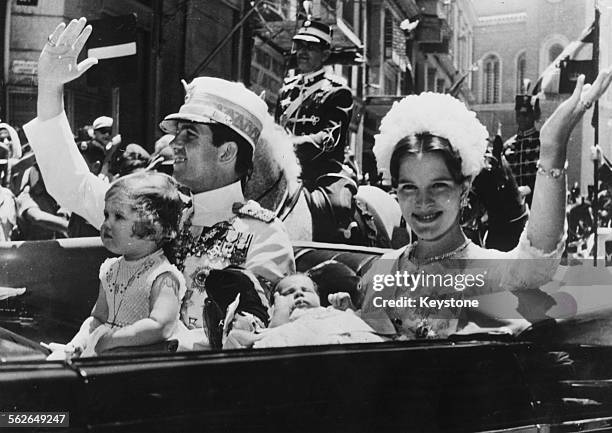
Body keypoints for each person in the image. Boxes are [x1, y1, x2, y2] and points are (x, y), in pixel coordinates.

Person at [24, 17, 294, 350]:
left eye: (190, 136)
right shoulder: (158, 208)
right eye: (176, 134)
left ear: (226, 152)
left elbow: (247, 338)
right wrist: (50, 87)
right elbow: (73, 187)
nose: (173, 145)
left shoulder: (265, 237)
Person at [360, 70, 612, 339]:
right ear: (395, 191)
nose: (423, 202)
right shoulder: (381, 270)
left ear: (464, 189)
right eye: (409, 187)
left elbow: (537, 261)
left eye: (439, 186)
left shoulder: (487, 271)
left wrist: (552, 149)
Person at [47, 171, 186, 358]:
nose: (106, 224)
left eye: (118, 217)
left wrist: (114, 338)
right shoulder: (111, 269)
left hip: (136, 362)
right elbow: (97, 318)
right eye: (106, 215)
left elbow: (160, 326)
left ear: (155, 229)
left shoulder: (162, 276)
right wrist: (78, 343)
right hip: (104, 354)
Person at [275, 20, 354, 189]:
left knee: (338, 206)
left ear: (325, 55)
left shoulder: (338, 92)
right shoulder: (286, 91)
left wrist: (289, 145)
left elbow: (329, 139)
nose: (302, 52)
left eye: (310, 48)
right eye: (300, 46)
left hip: (322, 175)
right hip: (284, 172)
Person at [224, 273, 383, 349]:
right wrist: (280, 313)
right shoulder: (276, 323)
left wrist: (350, 309)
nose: (299, 293)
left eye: (305, 290)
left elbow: (364, 327)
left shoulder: (330, 311)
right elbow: (271, 342)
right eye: (289, 293)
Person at [504, 94, 542, 206]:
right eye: (518, 114)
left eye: (525, 114)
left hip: (537, 202)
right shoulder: (508, 145)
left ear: (534, 115)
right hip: (512, 205)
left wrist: (529, 188)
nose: (521, 118)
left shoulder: (541, 142)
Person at [67, 139, 106, 238]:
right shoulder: (79, 191)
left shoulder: (103, 195)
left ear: (95, 167)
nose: (73, 168)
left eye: (79, 164)